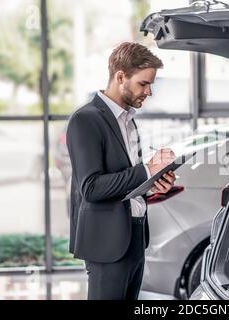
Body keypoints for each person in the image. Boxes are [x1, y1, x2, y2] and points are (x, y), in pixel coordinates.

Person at [66, 42, 176, 300]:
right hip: (107, 243)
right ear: (120, 77)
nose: (148, 92)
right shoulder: (85, 119)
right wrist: (147, 170)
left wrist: (153, 183)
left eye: (151, 85)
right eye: (143, 84)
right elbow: (91, 188)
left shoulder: (128, 122)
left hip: (134, 236)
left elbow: (124, 181)